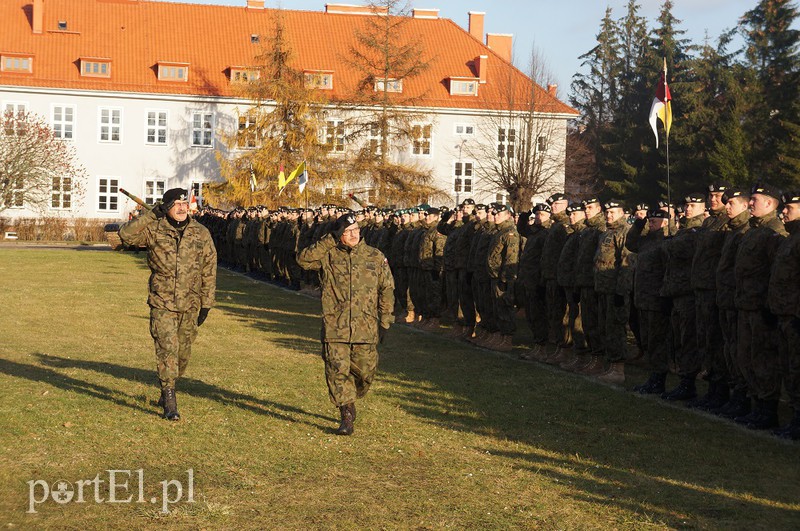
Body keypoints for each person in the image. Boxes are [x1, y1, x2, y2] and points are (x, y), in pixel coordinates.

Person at [119, 188, 217, 421]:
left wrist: (207, 303)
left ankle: (169, 384)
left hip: (191, 303)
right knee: (167, 350)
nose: (182, 208)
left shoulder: (200, 233)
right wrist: (152, 215)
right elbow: (127, 235)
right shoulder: (154, 230)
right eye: (176, 204)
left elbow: (209, 268)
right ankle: (169, 397)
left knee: (182, 354)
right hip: (162, 302)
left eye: (185, 203)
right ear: (167, 207)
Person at [297, 213, 394, 435]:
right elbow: (303, 259)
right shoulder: (328, 255)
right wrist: (330, 239)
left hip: (365, 327)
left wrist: (386, 320)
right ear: (339, 235)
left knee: (365, 373)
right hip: (335, 326)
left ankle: (352, 396)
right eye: (348, 232)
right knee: (336, 371)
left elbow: (386, 289)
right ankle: (346, 414)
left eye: (357, 230)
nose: (354, 235)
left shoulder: (375, 256)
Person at [768, 190, 800, 439]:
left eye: (790, 207)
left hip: (795, 315)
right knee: (789, 367)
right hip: (784, 313)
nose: (784, 211)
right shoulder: (791, 238)